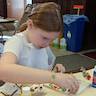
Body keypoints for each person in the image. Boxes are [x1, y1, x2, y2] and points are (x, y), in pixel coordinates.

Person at [0, 2, 79, 94]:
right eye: (44, 38)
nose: (47, 44)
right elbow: (3, 70)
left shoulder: (41, 44)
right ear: (30, 25)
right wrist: (53, 77)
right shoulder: (16, 42)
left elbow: (41, 72)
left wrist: (55, 71)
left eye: (51, 40)